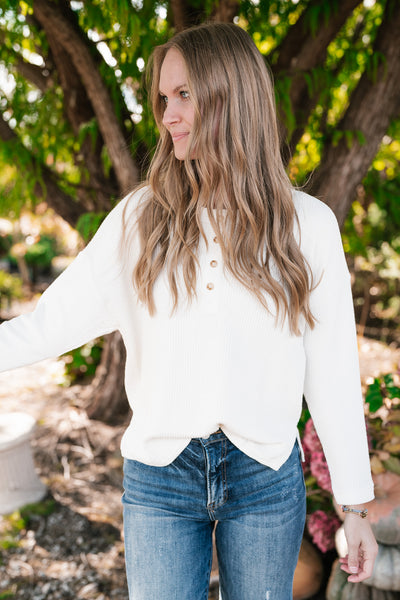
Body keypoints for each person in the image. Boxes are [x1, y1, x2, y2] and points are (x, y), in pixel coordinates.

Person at [0, 22, 377, 600]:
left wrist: (355, 505)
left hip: (265, 478)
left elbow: (332, 373)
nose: (166, 114)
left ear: (234, 95)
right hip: (160, 480)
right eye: (161, 98)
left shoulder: (308, 227)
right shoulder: (139, 221)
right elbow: (49, 324)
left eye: (184, 95)